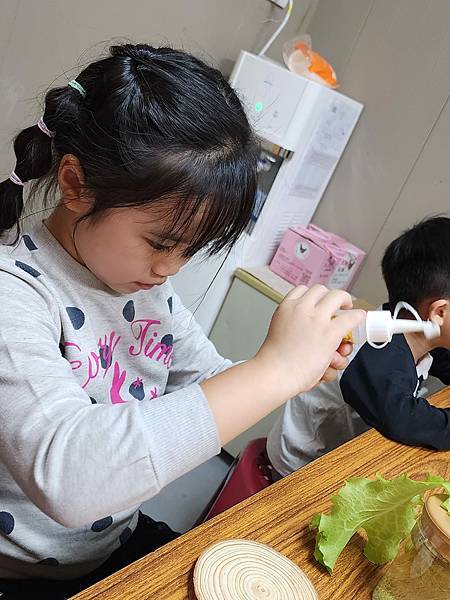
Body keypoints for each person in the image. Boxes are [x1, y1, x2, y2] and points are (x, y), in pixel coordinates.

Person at [0, 43, 363, 598]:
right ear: (75, 185)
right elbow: (69, 477)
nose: (170, 268)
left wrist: (300, 366)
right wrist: (273, 370)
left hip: (112, 546)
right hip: (25, 573)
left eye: (191, 250)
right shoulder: (16, 295)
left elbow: (207, 380)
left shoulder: (148, 288)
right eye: (161, 242)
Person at [267, 217, 450, 479]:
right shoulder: (375, 352)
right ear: (439, 312)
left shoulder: (420, 333)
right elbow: (405, 421)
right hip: (297, 467)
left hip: (342, 450)